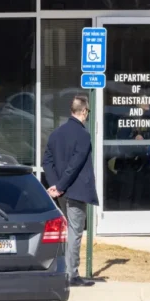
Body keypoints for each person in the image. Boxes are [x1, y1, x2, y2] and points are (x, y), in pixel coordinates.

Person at [43, 94, 98, 287]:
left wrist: (55, 185)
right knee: (74, 232)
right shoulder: (83, 135)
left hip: (62, 193)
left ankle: (64, 269)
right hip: (73, 191)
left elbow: (47, 161)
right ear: (83, 111)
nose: (87, 115)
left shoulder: (56, 133)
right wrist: (59, 186)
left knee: (67, 231)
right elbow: (75, 164)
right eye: (88, 112)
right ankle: (71, 273)